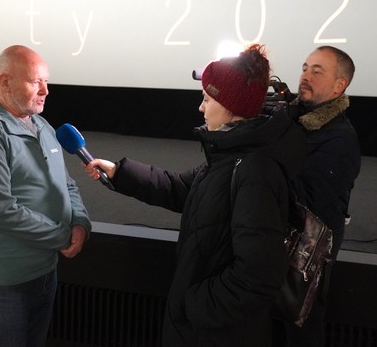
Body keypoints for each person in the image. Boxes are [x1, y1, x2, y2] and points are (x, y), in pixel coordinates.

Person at [84, 44, 306, 346]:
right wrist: (119, 173)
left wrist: (196, 306)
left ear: (229, 107)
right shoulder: (231, 156)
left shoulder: (254, 170)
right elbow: (179, 188)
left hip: (216, 333)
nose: (201, 107)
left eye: (207, 99)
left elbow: (259, 275)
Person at [0, 45, 92, 347]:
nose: (45, 90)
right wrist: (63, 237)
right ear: (5, 82)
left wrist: (80, 223)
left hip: (43, 271)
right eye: (35, 81)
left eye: (46, 81)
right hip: (0, 281)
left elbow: (66, 184)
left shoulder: (42, 125)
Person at [273, 45, 361, 346]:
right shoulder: (292, 121)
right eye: (304, 68)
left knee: (300, 330)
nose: (305, 76)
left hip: (304, 263)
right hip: (275, 247)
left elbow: (303, 197)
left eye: (317, 71)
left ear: (339, 85)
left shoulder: (341, 140)